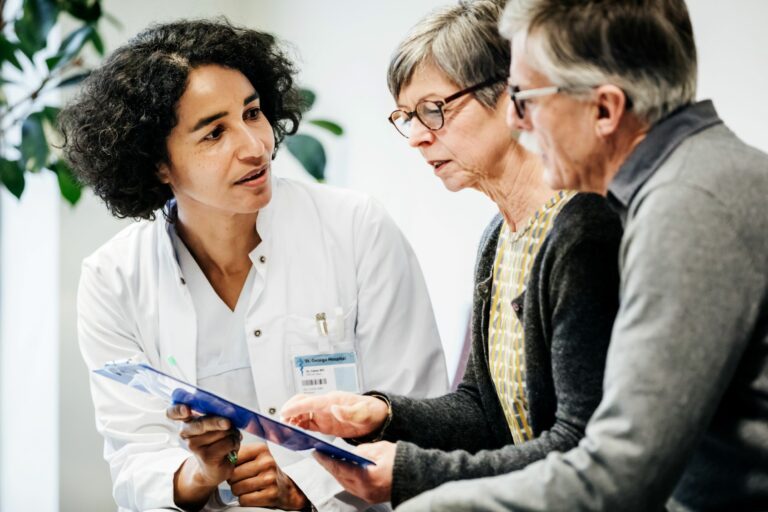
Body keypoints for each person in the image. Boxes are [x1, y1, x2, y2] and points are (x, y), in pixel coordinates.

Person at [394, 0, 768, 511]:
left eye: (526, 97)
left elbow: (620, 472)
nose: (517, 120)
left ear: (605, 109)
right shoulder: (695, 179)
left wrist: (429, 504)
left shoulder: (686, 207)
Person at [61, 19, 448, 512]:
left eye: (252, 113)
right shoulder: (113, 279)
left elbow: (420, 414)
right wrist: (200, 474)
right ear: (157, 163)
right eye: (214, 133)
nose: (254, 146)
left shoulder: (355, 229)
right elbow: (133, 456)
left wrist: (303, 488)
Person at [281, 0, 622, 507]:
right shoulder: (497, 237)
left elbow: (581, 445)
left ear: (512, 95)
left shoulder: (582, 229)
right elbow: (484, 411)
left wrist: (414, 471)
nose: (418, 137)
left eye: (433, 110)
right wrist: (379, 413)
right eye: (406, 117)